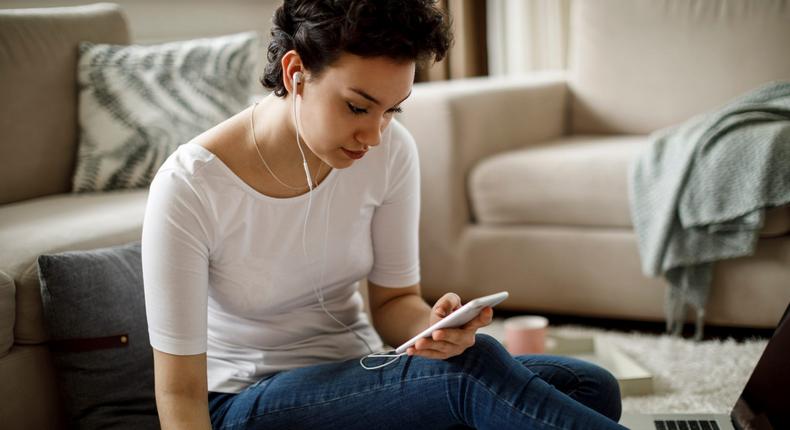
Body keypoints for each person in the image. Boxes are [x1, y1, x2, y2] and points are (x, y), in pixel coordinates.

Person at [141, 0, 626, 428]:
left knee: (587, 386)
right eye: (357, 107)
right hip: (248, 403)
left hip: (362, 375)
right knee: (476, 376)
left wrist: (435, 329)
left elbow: (395, 303)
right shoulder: (190, 186)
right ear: (295, 73)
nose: (374, 136)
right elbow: (178, 394)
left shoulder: (390, 152)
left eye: (393, 110)